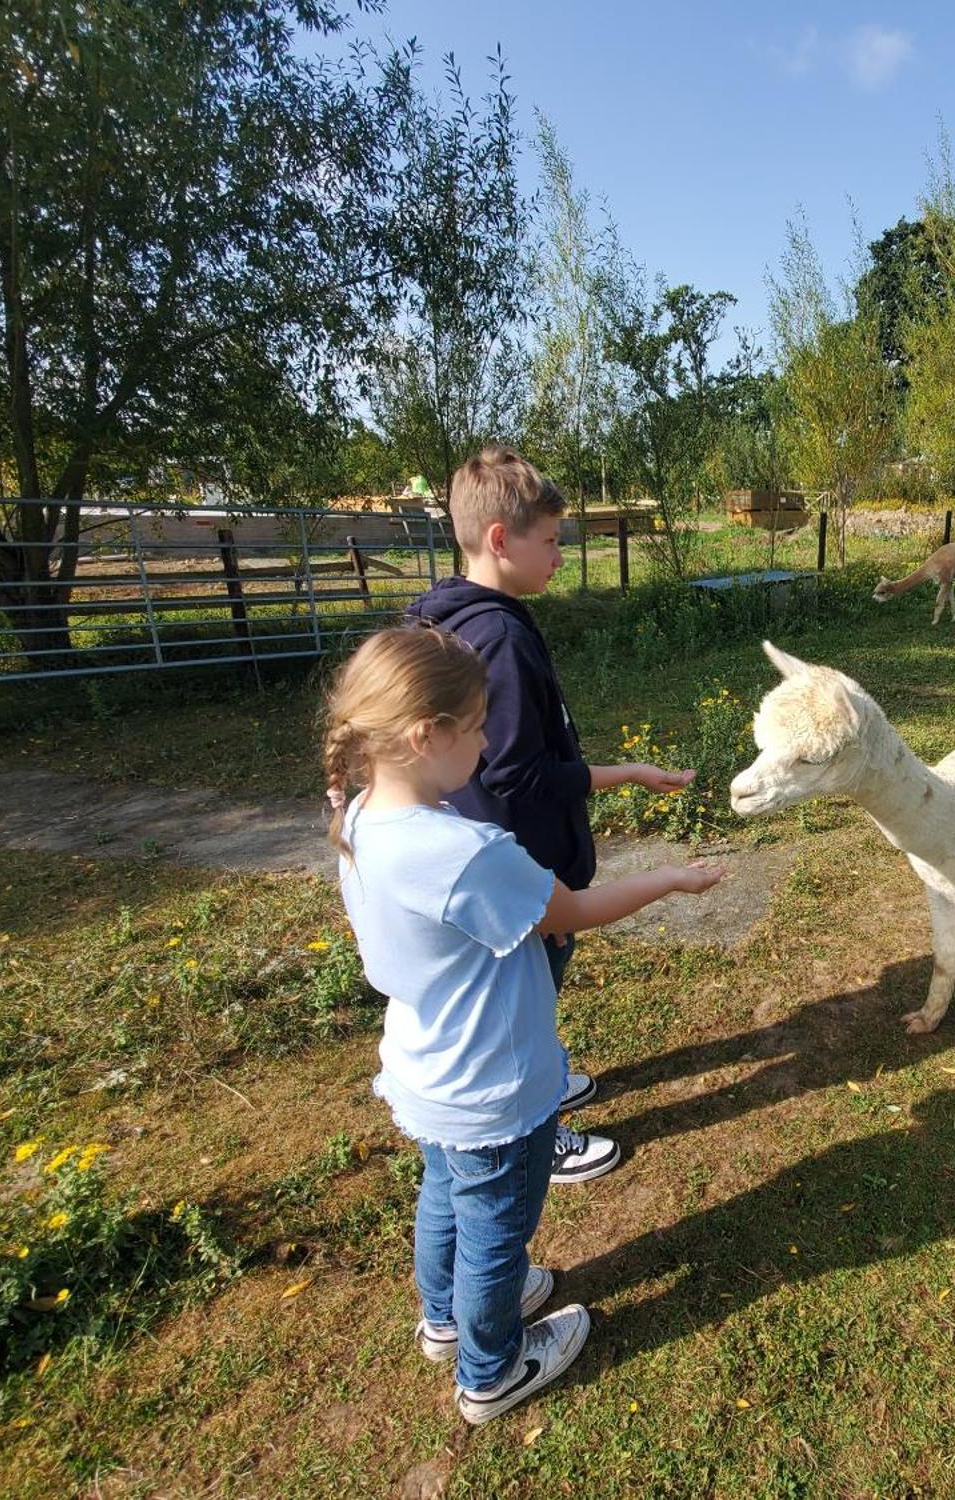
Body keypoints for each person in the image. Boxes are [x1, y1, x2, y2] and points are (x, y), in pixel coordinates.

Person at [323, 625, 722, 1422]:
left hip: (426, 1068)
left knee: (446, 1192)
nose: (483, 743)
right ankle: (491, 1366)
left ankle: (445, 1318)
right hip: (492, 1087)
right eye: (473, 728)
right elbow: (569, 911)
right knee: (497, 1228)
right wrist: (671, 879)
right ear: (423, 735)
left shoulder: (361, 812)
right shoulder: (463, 851)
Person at [408, 444, 693, 1184]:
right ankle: (541, 1128)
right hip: (524, 874)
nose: (561, 556)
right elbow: (515, 774)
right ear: (501, 540)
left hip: (503, 870)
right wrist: (610, 783)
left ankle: (544, 1080)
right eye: (552, 541)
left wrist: (627, 772)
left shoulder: (459, 617)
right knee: (520, 1015)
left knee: (524, 1009)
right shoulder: (496, 636)